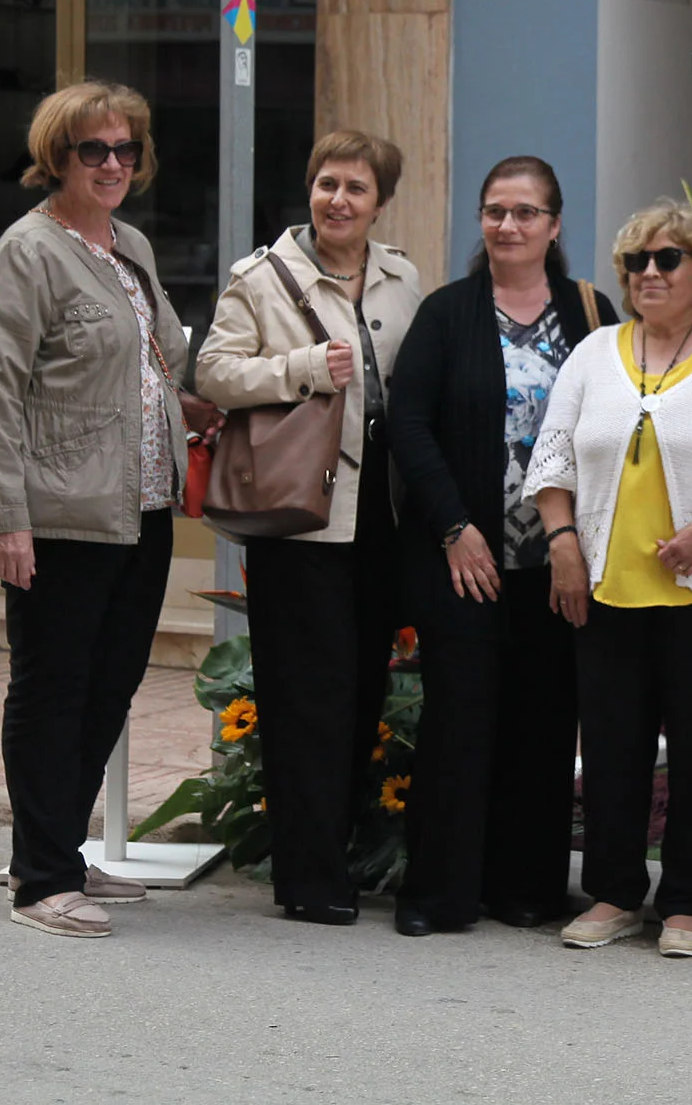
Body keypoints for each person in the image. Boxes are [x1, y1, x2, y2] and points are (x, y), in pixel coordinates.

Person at [0, 80, 205, 938]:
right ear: (57, 158)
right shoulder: (27, 252)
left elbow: (169, 355)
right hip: (60, 507)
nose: (112, 165)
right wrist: (2, 515)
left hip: (139, 503)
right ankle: (39, 878)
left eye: (125, 150)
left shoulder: (128, 242)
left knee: (111, 682)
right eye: (92, 151)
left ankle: (58, 849)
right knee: (52, 687)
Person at [527, 201, 692, 958]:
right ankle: (613, 892)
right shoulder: (597, 349)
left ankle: (688, 901)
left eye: (667, 259)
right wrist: (563, 542)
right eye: (637, 262)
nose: (649, 274)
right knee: (610, 747)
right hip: (605, 586)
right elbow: (552, 454)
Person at [196, 130, 422, 925]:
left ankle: (344, 854)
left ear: (379, 202)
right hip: (301, 520)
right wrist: (296, 370)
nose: (338, 200)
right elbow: (214, 371)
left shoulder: (402, 280)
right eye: (327, 183)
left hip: (381, 521)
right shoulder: (261, 278)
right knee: (303, 700)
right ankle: (307, 874)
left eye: (356, 188)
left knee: (361, 694)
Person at [386, 157, 615, 936]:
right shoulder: (447, 312)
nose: (507, 225)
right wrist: (453, 525)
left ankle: (528, 888)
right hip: (467, 555)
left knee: (545, 723)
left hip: (559, 559)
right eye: (494, 211)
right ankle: (440, 893)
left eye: (524, 212)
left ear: (553, 225)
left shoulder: (591, 313)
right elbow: (407, 422)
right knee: (460, 720)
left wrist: (577, 540)